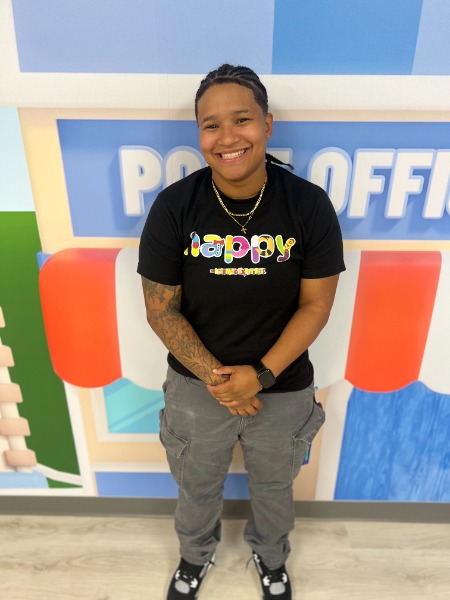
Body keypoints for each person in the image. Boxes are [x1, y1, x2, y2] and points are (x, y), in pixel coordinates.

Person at [138, 64, 345, 600]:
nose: (227, 137)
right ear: (199, 134)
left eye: (242, 119)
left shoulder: (308, 205)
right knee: (196, 486)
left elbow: (317, 305)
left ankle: (271, 559)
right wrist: (222, 381)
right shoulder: (174, 207)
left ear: (267, 124)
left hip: (283, 386)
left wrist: (262, 375)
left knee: (274, 488)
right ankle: (194, 556)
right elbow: (161, 310)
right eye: (211, 125)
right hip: (196, 389)